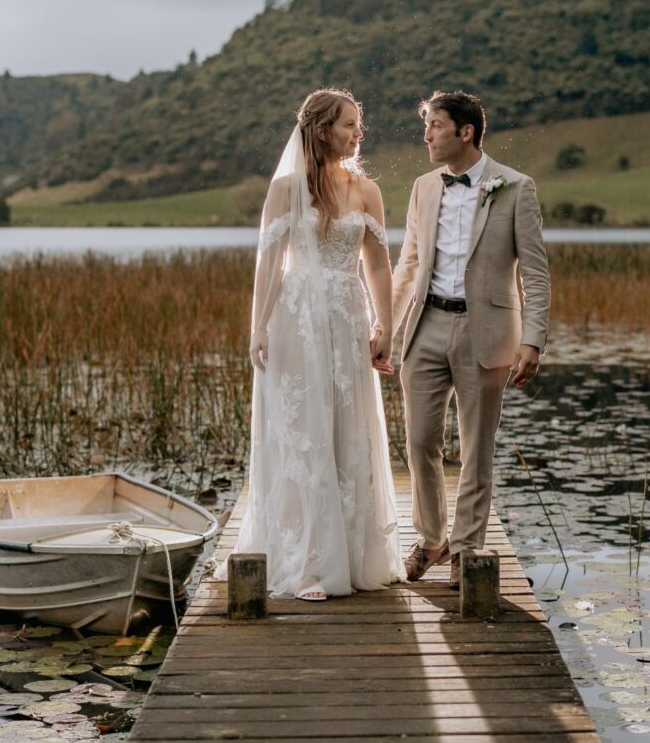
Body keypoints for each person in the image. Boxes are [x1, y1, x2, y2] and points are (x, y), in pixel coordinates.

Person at [227, 88, 403, 600]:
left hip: (348, 316)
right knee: (301, 429)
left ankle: (349, 554)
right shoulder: (285, 189)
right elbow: (269, 262)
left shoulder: (367, 190)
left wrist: (384, 326)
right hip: (298, 318)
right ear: (323, 129)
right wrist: (257, 326)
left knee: (346, 425)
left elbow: (377, 263)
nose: (358, 133)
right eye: (350, 124)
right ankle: (304, 562)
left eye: (359, 124)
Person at [392, 90, 551, 588]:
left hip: (489, 331)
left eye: (436, 125)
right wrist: (386, 327)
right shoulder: (422, 187)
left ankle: (466, 548)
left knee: (477, 446)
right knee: (420, 441)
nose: (427, 135)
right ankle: (432, 538)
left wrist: (534, 339)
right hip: (426, 326)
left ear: (466, 132)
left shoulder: (516, 187)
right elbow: (410, 262)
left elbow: (537, 274)